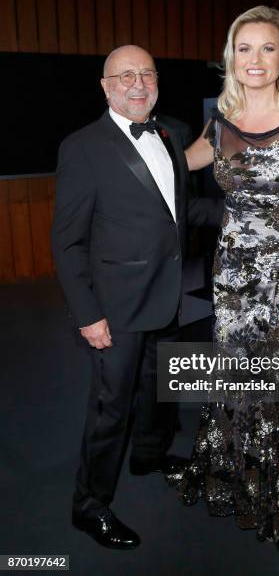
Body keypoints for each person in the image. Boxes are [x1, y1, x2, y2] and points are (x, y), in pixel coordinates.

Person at [167, 6, 279, 552]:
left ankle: (273, 502)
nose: (255, 59)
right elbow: (185, 160)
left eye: (267, 48)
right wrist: (138, 139)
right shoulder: (219, 123)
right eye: (245, 48)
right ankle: (230, 482)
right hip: (232, 276)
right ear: (231, 58)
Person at [51, 45, 222, 550]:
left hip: (166, 295)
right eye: (125, 75)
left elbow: (181, 210)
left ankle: (149, 454)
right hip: (115, 307)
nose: (138, 82)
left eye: (146, 73)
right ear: (105, 86)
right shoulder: (82, 146)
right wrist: (88, 314)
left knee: (157, 388)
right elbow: (67, 241)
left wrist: (241, 218)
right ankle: (90, 505)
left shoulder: (172, 132)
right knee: (112, 407)